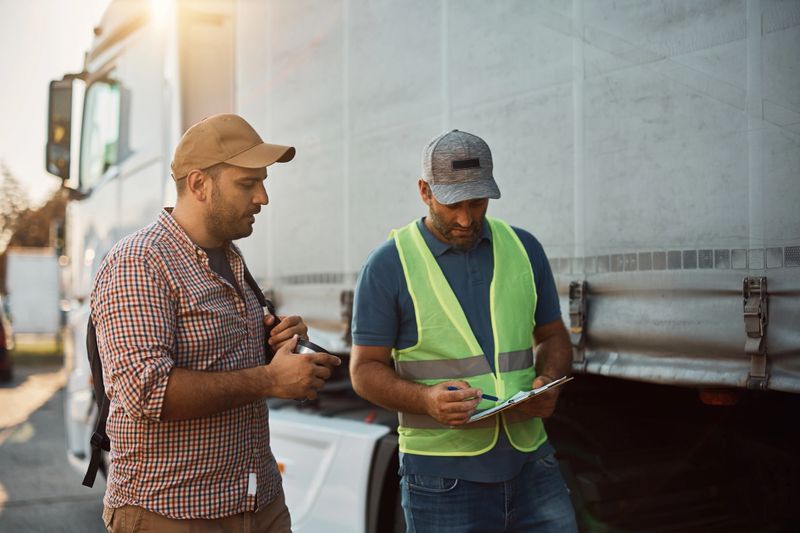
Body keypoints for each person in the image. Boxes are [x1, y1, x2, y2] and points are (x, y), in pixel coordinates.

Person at [91, 113, 341, 533]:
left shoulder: (231, 258)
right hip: (170, 513)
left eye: (263, 182)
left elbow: (219, 358)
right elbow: (146, 390)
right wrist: (269, 379)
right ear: (199, 184)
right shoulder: (139, 262)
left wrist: (273, 347)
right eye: (247, 184)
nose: (262, 197)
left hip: (258, 503)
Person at [350, 129, 578, 532]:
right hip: (442, 479)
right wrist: (425, 399)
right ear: (425, 191)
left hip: (532, 463)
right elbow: (364, 371)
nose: (466, 218)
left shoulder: (525, 248)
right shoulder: (388, 265)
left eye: (477, 202)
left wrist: (549, 380)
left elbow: (554, 336)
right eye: (453, 204)